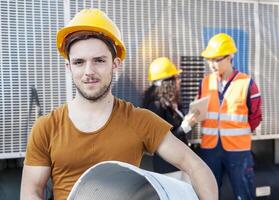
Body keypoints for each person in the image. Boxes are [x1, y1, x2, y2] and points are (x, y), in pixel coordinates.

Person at [20, 9, 218, 200]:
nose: (89, 71)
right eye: (79, 62)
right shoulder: (46, 127)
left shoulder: (139, 120)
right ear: (69, 67)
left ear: (115, 64)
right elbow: (31, 192)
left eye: (99, 60)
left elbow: (196, 166)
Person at [196, 33, 262, 200]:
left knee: (244, 194)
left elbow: (255, 117)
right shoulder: (205, 82)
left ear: (230, 57)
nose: (211, 64)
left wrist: (239, 132)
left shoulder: (247, 83)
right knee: (208, 194)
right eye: (209, 60)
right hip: (210, 149)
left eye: (216, 59)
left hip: (238, 151)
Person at [143, 57, 200, 173]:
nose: (179, 81)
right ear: (168, 82)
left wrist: (189, 120)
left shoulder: (170, 102)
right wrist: (185, 127)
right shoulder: (155, 106)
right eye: (176, 78)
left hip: (179, 163)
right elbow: (160, 141)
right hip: (168, 167)